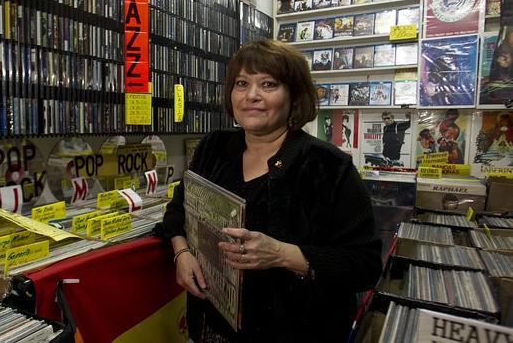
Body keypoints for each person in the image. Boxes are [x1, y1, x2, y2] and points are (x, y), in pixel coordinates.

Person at [154, 39, 382, 342]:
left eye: (268, 84)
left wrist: (282, 254)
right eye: (241, 83)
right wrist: (181, 253)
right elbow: (178, 211)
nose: (252, 96)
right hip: (213, 325)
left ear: (293, 96)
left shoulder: (328, 166)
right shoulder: (213, 147)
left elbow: (364, 266)